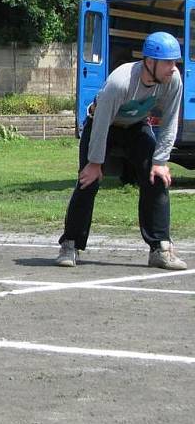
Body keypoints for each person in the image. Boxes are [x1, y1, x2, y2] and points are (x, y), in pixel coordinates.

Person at [55, 31, 186, 270]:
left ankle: (160, 248)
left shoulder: (173, 80)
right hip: (102, 125)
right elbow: (101, 121)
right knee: (88, 181)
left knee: (156, 178)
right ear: (150, 62)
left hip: (136, 127)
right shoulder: (121, 81)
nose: (173, 68)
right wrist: (95, 163)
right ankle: (70, 244)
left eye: (175, 62)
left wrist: (160, 160)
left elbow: (170, 121)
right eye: (168, 62)